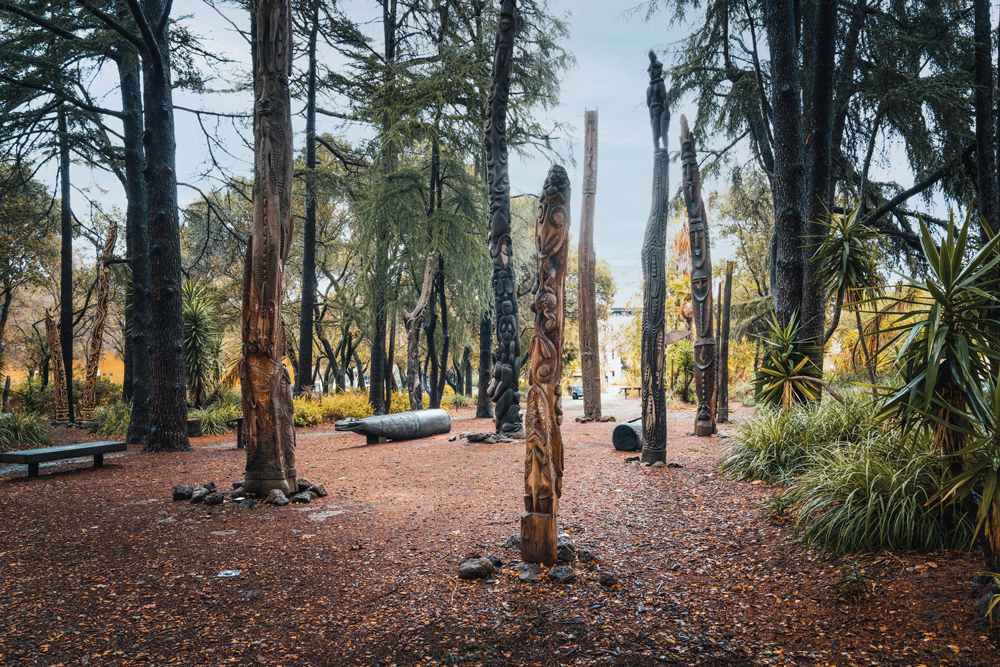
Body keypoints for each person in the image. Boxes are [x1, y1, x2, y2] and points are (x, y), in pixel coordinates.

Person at [646, 51, 669, 152]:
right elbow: (649, 104)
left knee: (663, 132)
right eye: (650, 70)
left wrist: (666, 111)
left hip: (661, 110)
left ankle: (665, 147)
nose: (652, 72)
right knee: (655, 135)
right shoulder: (648, 89)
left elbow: (664, 99)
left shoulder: (660, 84)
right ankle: (656, 148)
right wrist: (651, 118)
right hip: (654, 113)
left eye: (654, 69)